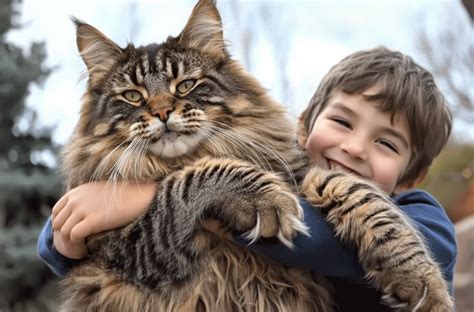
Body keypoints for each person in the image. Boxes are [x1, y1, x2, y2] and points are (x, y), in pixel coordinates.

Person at [38, 46, 456, 310]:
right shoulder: (297, 169)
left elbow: (317, 222)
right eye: (343, 122)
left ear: (412, 175)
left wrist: (158, 195)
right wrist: (59, 237)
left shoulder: (422, 217)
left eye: (387, 144)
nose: (163, 109)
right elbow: (97, 237)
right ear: (304, 126)